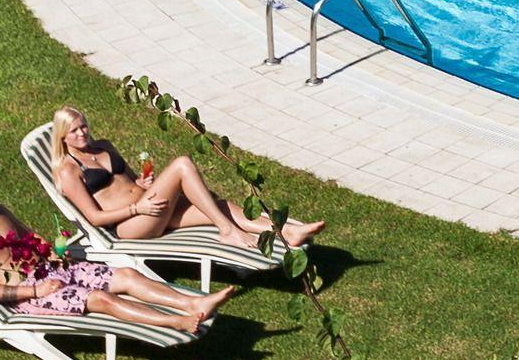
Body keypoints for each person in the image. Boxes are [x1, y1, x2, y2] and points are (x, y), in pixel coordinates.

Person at [0, 160, 232, 334]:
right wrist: (34, 290)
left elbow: (32, 237)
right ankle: (177, 323)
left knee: (127, 276)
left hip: (50, 268)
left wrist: (54, 251)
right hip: (30, 292)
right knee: (102, 299)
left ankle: (194, 303)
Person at [42, 104, 319, 252]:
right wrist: (137, 208)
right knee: (182, 165)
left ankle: (287, 233)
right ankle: (227, 231)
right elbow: (93, 217)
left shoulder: (103, 146)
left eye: (84, 126)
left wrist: (141, 184)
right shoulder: (68, 170)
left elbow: (130, 180)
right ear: (62, 137)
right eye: (75, 131)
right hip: (130, 225)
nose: (82, 133)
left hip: (152, 207)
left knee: (217, 206)